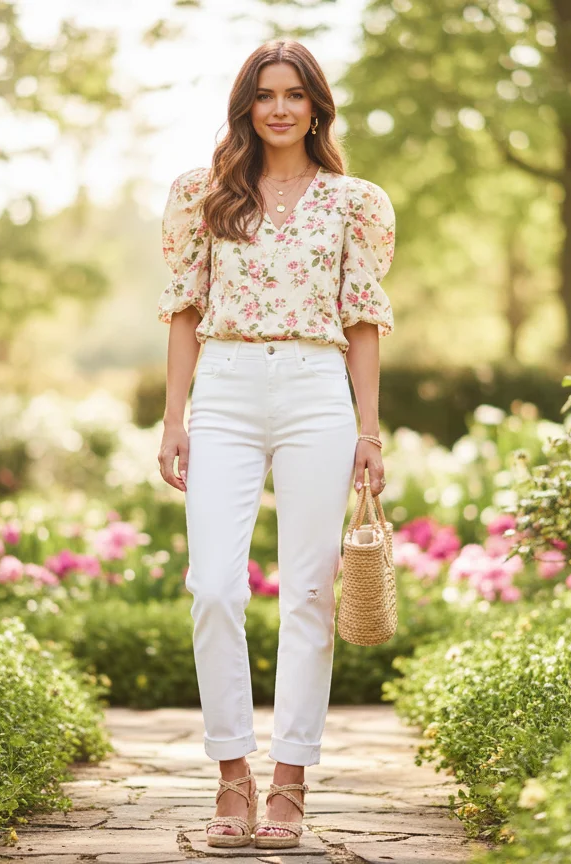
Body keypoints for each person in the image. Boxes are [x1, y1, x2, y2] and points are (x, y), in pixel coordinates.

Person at [155, 38, 395, 850]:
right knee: (215, 588)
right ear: (246, 107)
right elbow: (183, 309)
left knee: (309, 593)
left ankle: (290, 781)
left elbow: (362, 320)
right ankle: (232, 776)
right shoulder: (203, 195)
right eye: (266, 95)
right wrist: (174, 416)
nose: (281, 108)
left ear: (316, 105)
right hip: (222, 388)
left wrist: (369, 431)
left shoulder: (353, 202)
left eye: (295, 94)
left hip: (315, 392)